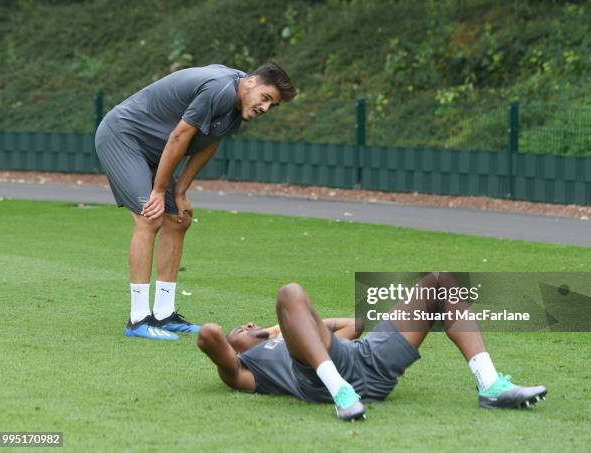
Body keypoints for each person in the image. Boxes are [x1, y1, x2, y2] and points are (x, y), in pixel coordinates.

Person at [95, 63, 296, 340]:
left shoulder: (236, 105)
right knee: (149, 217)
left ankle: (164, 314)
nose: (265, 108)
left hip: (154, 149)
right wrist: (159, 190)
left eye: (272, 106)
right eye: (265, 98)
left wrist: (180, 192)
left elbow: (208, 144)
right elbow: (180, 135)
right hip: (123, 137)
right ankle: (138, 320)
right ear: (250, 82)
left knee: (179, 218)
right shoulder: (219, 89)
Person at [197, 273, 547, 421]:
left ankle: (490, 385)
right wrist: (240, 346)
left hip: (365, 361)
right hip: (318, 382)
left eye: (248, 323)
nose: (246, 325)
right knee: (290, 292)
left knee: (438, 284)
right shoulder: (245, 370)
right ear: (235, 351)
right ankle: (341, 394)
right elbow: (209, 334)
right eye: (239, 329)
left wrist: (281, 329)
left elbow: (355, 325)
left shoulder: (285, 335)